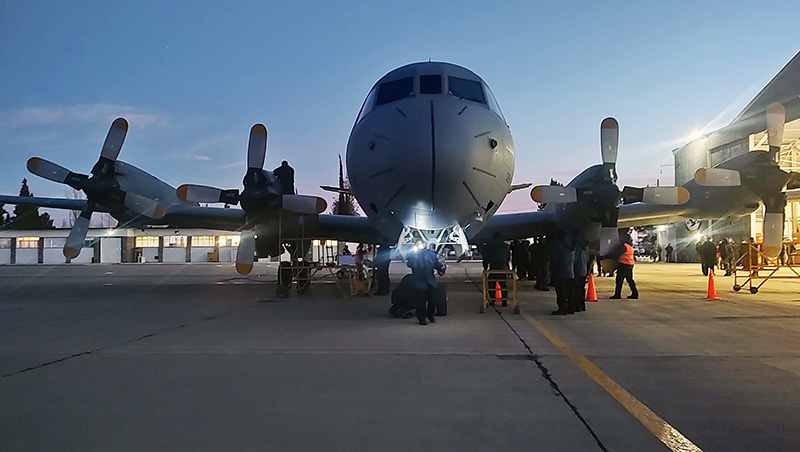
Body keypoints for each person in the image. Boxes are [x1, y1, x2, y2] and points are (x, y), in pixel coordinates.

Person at [406, 241, 445, 325]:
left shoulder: (431, 254)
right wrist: (414, 256)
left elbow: (436, 264)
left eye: (420, 244)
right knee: (420, 301)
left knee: (433, 300)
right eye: (417, 244)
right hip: (419, 281)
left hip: (430, 281)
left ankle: (430, 315)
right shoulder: (414, 255)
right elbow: (410, 264)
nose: (419, 246)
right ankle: (421, 318)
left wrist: (441, 267)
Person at [549, 230, 575, 315]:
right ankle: (571, 308)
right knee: (569, 291)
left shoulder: (558, 245)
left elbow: (555, 259)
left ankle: (562, 309)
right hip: (570, 272)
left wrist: (552, 268)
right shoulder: (571, 246)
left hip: (560, 272)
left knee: (561, 292)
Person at [483, 232, 511, 306]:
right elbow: (508, 257)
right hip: (502, 267)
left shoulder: (490, 246)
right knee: (503, 285)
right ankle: (504, 300)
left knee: (491, 284)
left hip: (493, 267)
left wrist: (485, 266)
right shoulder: (505, 246)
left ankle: (492, 300)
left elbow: (486, 257)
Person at [609, 232, 638, 299]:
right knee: (630, 280)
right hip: (630, 264)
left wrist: (606, 256)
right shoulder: (629, 246)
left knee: (619, 280)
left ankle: (617, 294)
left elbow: (616, 254)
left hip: (623, 264)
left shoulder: (623, 246)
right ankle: (635, 293)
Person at [572, 231, 589, 313]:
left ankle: (576, 306)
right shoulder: (585, 247)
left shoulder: (575, 246)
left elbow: (573, 259)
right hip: (583, 269)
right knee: (581, 289)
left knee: (575, 289)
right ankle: (582, 305)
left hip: (576, 269)